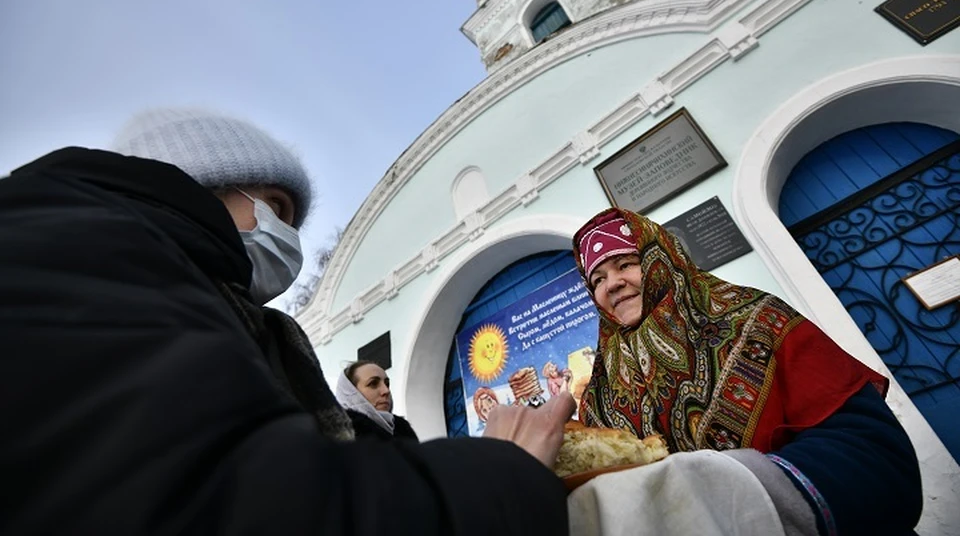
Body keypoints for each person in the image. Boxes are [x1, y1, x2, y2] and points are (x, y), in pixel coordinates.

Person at [0, 108, 575, 535]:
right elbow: (252, 506)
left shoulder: (192, 299)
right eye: (275, 208)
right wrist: (506, 474)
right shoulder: (81, 247)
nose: (289, 237)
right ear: (201, 182)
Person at [569, 208, 923, 536]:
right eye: (597, 278)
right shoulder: (600, 396)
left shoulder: (762, 322)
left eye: (626, 264)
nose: (611, 284)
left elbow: (875, 458)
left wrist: (715, 494)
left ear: (662, 258)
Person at [335, 360, 418, 441]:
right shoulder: (338, 440)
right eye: (373, 383)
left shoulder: (404, 432)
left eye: (387, 384)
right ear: (351, 393)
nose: (386, 391)